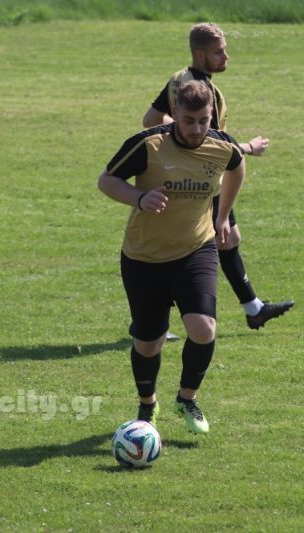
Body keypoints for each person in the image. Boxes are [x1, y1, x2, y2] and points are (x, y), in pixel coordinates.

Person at [98, 81, 245, 434]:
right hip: (143, 257)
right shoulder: (148, 144)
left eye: (203, 120)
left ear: (212, 115)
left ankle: (186, 398)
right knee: (149, 342)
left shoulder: (222, 146)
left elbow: (237, 167)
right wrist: (139, 198)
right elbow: (106, 180)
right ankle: (147, 405)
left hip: (196, 250)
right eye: (189, 120)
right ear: (175, 112)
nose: (196, 129)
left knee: (203, 328)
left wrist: (223, 217)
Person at [143, 22, 293, 332]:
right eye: (219, 52)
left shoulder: (179, 79)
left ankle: (254, 308)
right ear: (200, 54)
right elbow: (211, 144)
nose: (226, 57)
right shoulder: (202, 92)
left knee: (228, 239)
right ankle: (156, 322)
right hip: (198, 177)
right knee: (191, 246)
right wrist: (248, 148)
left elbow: (151, 119)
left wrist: (175, 133)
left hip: (190, 171)